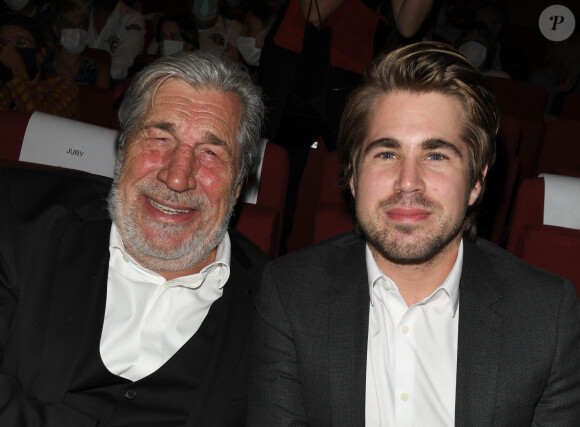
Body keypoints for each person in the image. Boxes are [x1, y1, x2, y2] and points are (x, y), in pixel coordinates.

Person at [248, 41, 580, 426]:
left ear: (476, 180)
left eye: (436, 155)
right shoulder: (289, 294)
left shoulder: (546, 317)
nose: (409, 182)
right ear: (353, 176)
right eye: (386, 153)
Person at [0, 50, 268, 426]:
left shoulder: (279, 307)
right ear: (122, 150)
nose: (177, 177)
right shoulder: (16, 216)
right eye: (159, 137)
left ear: (239, 184)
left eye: (210, 153)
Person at [0, 13, 79, 118]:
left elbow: (38, 128)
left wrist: (17, 67)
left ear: (41, 54)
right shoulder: (3, 89)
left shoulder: (63, 86)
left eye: (20, 43)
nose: (9, 52)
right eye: (2, 45)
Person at [48, 0, 111, 89]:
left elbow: (102, 100)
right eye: (69, 25)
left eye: (82, 26)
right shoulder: (43, 61)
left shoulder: (98, 69)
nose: (77, 31)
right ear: (56, 29)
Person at [87, 0, 145, 82]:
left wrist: (85, 72)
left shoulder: (132, 18)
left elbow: (121, 67)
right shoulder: (80, 13)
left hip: (111, 85)